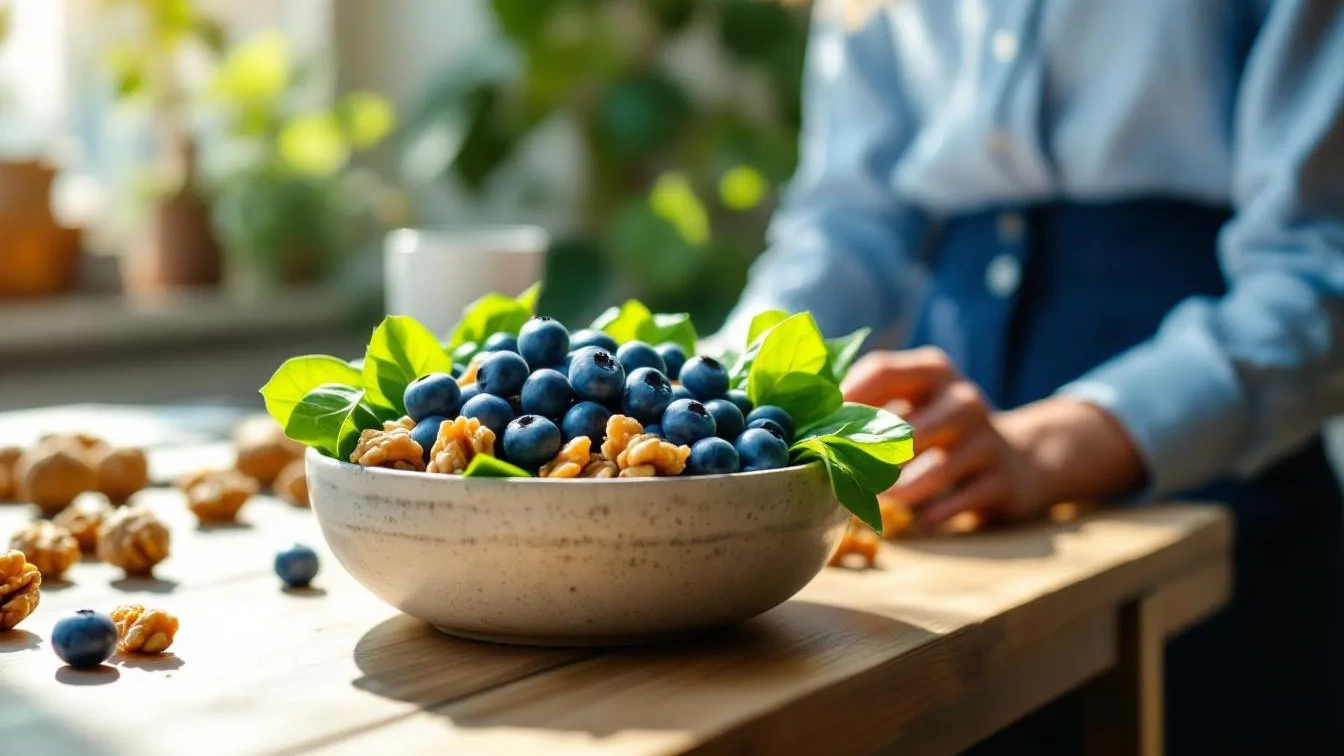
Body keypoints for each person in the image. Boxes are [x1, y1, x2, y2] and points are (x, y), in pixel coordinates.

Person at [720, 1, 1344, 753]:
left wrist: (1048, 447)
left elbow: (1317, 273)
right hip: (947, 467)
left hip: (1206, 455)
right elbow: (847, 223)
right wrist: (717, 394)